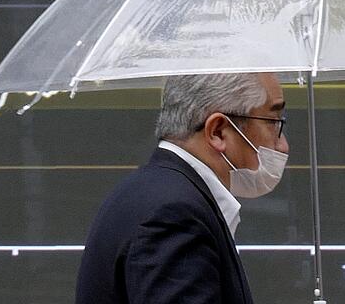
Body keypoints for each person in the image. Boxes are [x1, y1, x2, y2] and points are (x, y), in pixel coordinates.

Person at [75, 72, 290, 304]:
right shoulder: (174, 214)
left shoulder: (153, 192)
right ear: (217, 131)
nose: (283, 145)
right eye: (273, 122)